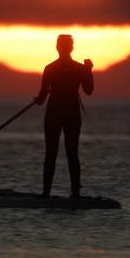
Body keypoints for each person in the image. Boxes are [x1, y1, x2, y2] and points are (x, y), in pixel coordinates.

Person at [34, 34, 93, 198]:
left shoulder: (50, 68)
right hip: (71, 114)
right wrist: (88, 70)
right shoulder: (79, 68)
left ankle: (46, 193)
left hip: (54, 114)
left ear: (58, 47)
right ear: (71, 48)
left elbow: (41, 98)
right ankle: (75, 194)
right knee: (72, 153)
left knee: (51, 153)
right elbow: (89, 90)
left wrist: (36, 100)